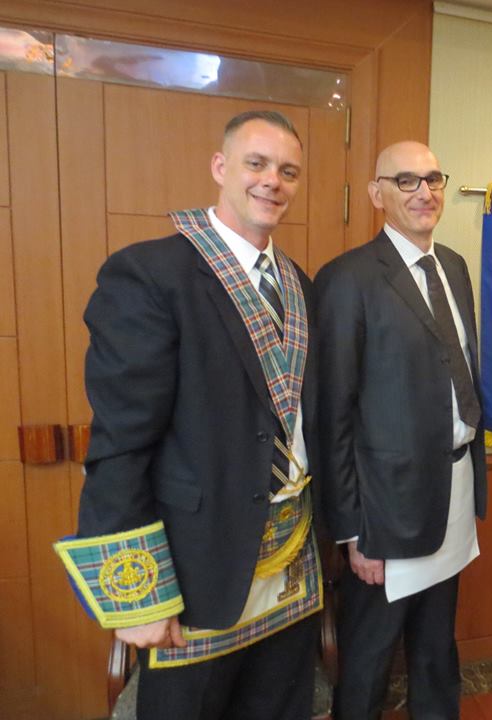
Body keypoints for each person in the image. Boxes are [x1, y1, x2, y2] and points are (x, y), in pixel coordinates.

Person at [54, 110, 322, 720]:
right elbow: (121, 441)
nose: (272, 180)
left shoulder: (299, 284)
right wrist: (140, 595)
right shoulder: (152, 273)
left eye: (288, 171)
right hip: (197, 561)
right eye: (256, 164)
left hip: (291, 558)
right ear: (220, 167)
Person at [314, 141, 486, 720]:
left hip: (452, 490)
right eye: (406, 180)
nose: (424, 192)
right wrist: (351, 530)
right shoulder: (348, 279)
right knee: (369, 656)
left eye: (433, 179)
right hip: (383, 512)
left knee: (436, 649)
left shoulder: (454, 267)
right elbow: (332, 414)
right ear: (376, 194)